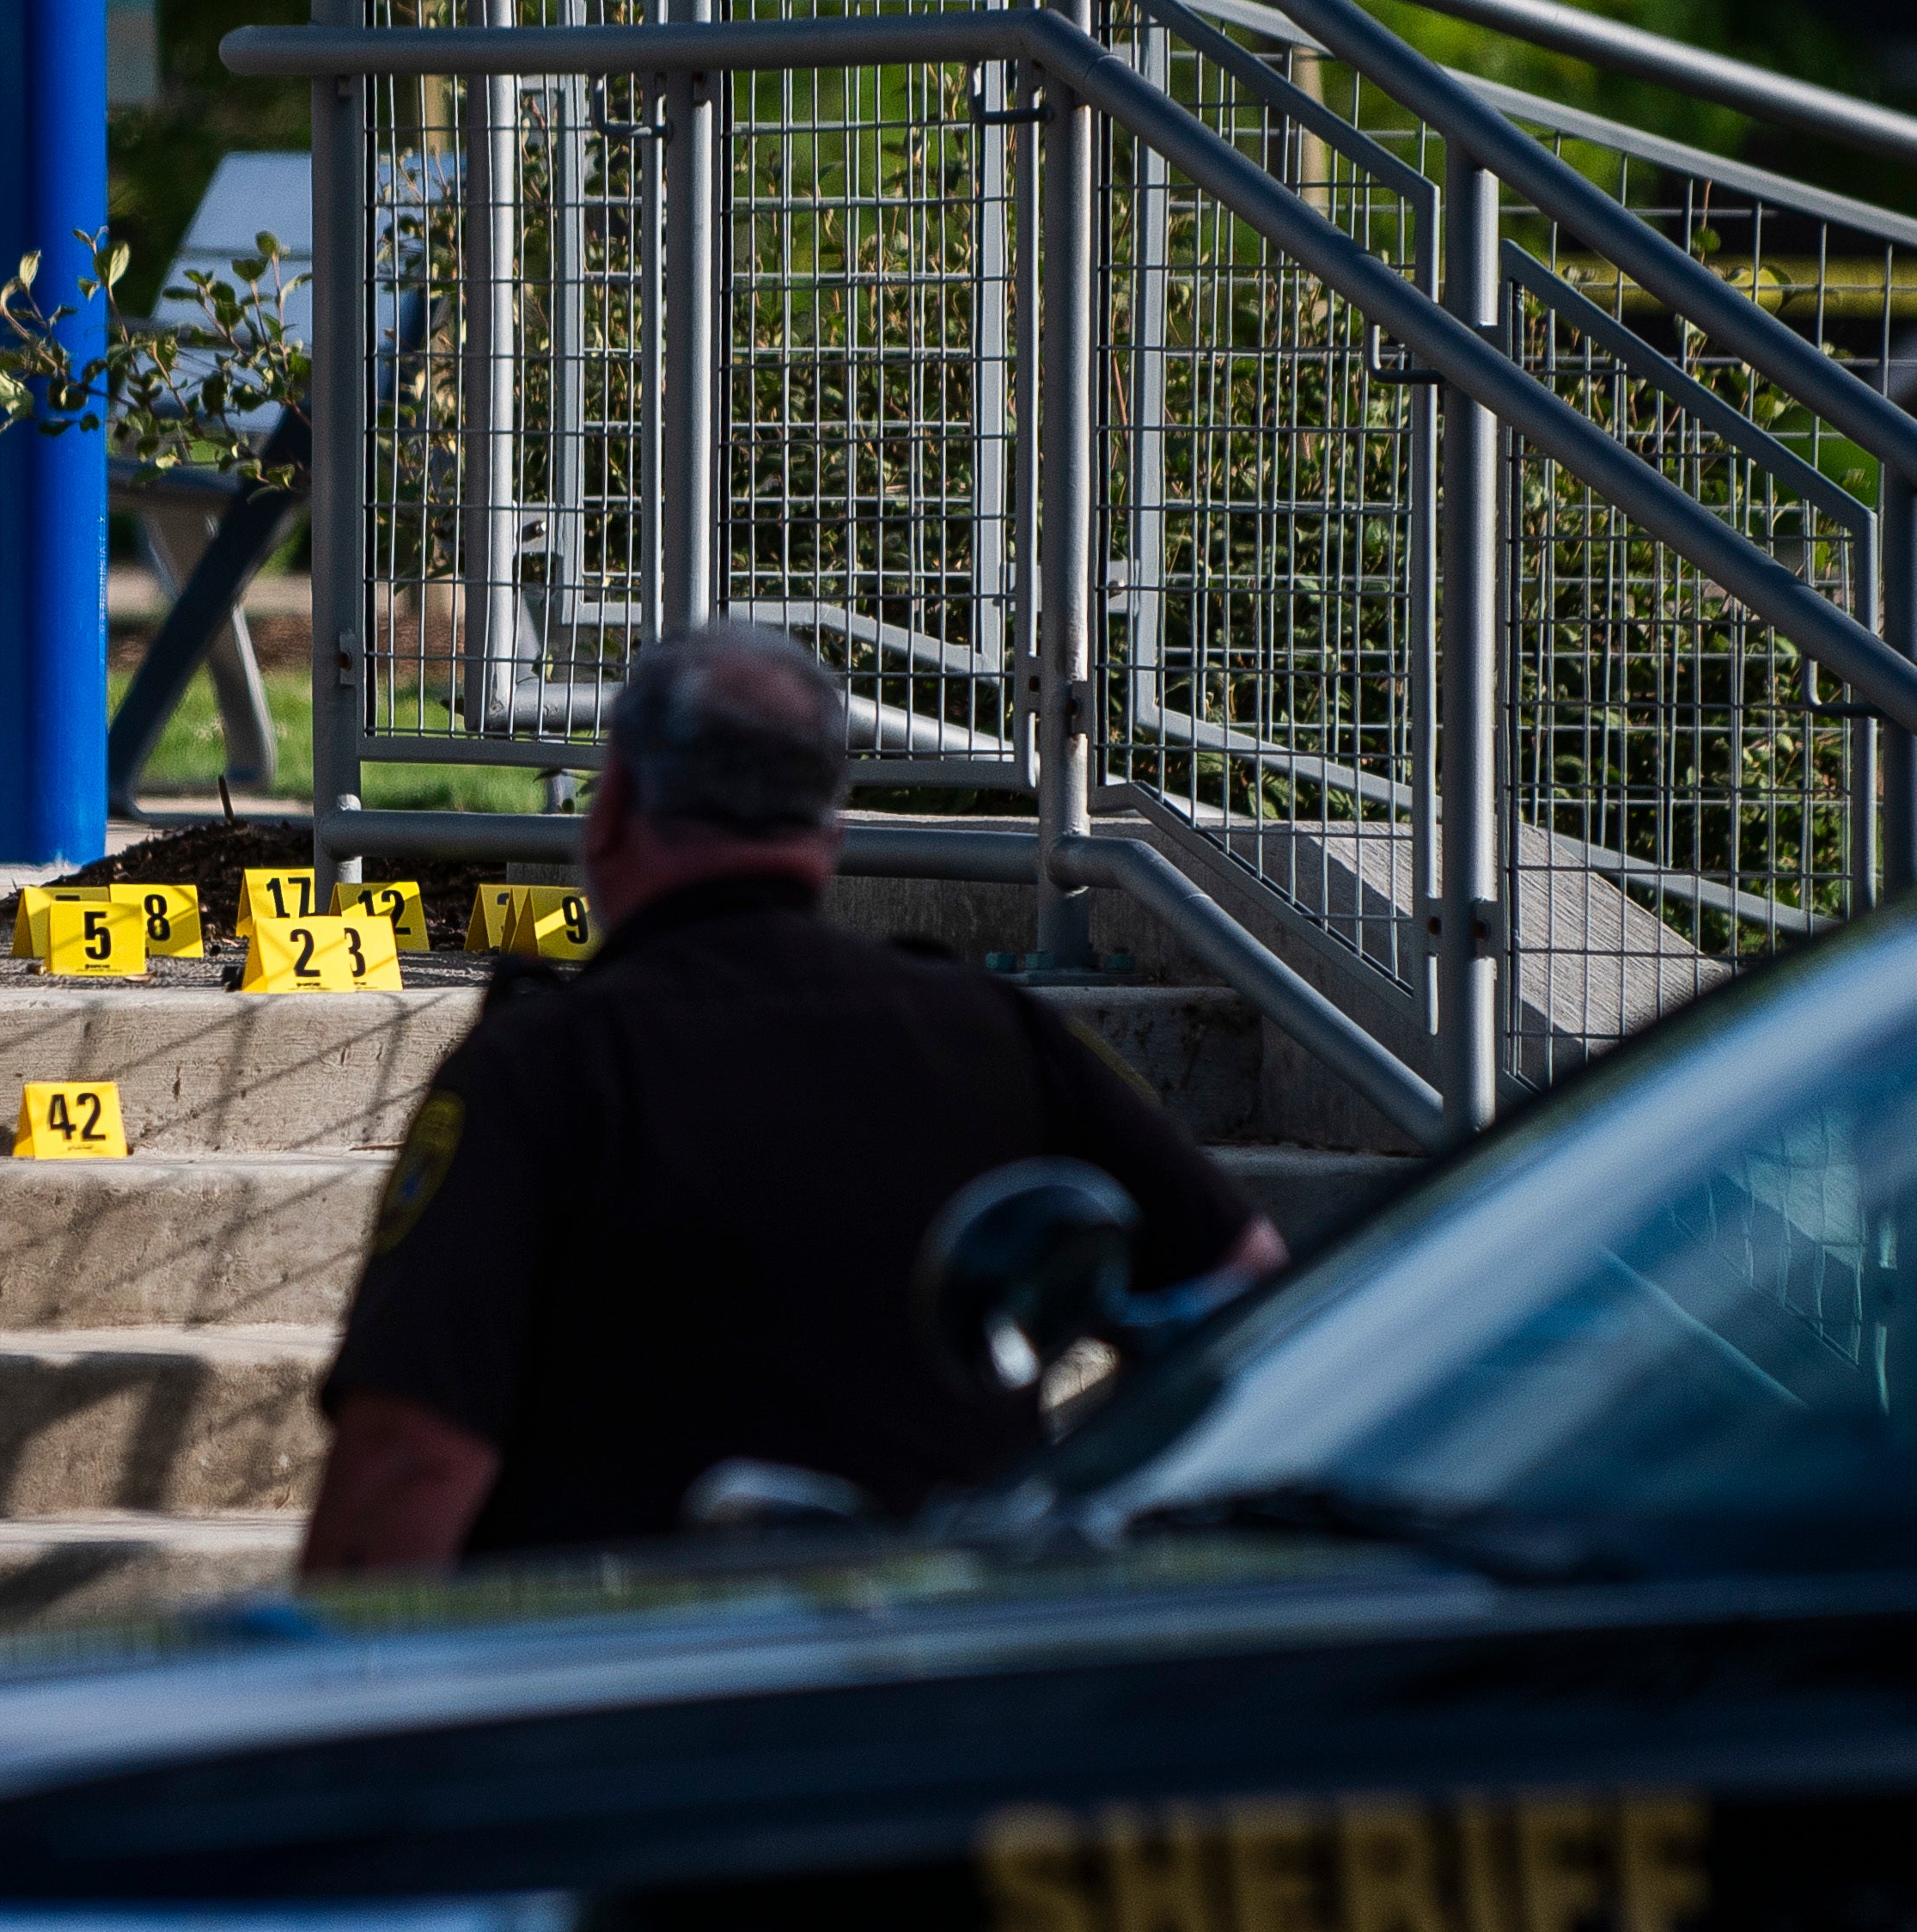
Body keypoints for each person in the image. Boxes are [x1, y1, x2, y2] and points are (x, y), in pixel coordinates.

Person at [302, 621, 1286, 1575]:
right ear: (829, 829)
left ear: (608, 818)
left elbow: (409, 1461)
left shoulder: (545, 1067)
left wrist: (323, 1705)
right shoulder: (996, 1035)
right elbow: (1245, 1286)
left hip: (621, 1691)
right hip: (927, 1690)